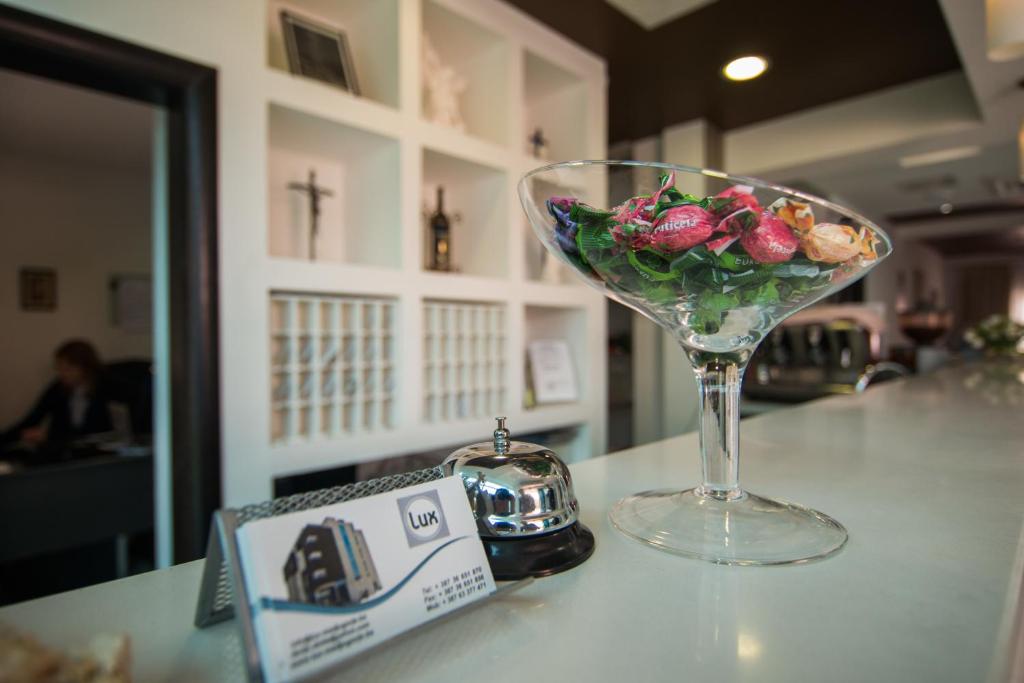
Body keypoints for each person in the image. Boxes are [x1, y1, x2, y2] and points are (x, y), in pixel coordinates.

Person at [0, 340, 114, 447]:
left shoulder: (106, 387)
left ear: (85, 368)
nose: (62, 374)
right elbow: (32, 419)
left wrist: (51, 436)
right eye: (59, 369)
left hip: (97, 452)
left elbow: (99, 433)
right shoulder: (57, 389)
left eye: (68, 369)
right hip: (63, 452)